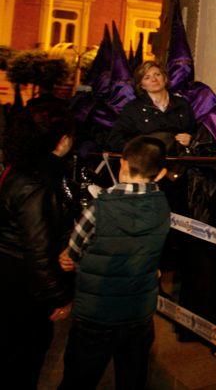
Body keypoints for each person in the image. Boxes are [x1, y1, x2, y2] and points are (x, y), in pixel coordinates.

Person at [58, 135, 171, 390]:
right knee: (132, 378)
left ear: (122, 164)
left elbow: (74, 249)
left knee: (79, 377)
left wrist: (69, 257)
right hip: (138, 313)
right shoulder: (163, 208)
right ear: (162, 173)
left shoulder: (100, 207)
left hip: (96, 313)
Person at [0, 103, 75, 388]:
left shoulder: (21, 168)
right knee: (23, 358)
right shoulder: (36, 182)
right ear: (62, 139)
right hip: (22, 285)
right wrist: (58, 296)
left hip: (13, 276)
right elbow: (37, 250)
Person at [106, 61, 196, 152]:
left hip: (178, 161)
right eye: (147, 77)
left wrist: (191, 140)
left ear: (165, 78)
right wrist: (140, 151)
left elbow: (195, 133)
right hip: (147, 163)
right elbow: (115, 139)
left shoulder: (182, 104)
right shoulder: (133, 108)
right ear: (142, 85)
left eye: (157, 74)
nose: (154, 79)